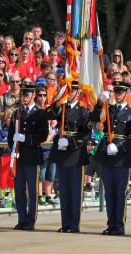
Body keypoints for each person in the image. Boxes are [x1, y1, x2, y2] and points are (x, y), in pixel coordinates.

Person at [91, 81, 131, 236]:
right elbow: (93, 119)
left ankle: (119, 224)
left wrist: (120, 147)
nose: (118, 95)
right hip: (107, 154)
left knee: (120, 192)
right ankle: (111, 224)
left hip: (121, 157)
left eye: (120, 92)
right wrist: (100, 102)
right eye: (116, 92)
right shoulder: (108, 109)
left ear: (126, 93)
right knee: (109, 192)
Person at [43, 81, 91, 233]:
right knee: (63, 190)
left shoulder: (83, 111)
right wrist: (58, 102)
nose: (69, 94)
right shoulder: (61, 108)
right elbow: (47, 114)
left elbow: (85, 134)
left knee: (75, 191)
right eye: (67, 91)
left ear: (78, 93)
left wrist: (71, 143)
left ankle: (74, 224)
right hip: (61, 152)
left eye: (72, 91)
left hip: (75, 153)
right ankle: (65, 222)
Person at [8, 83, 48, 230]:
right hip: (19, 156)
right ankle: (21, 219)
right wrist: (13, 147)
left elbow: (42, 135)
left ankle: (31, 220)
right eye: (22, 95)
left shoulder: (40, 113)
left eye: (26, 95)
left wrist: (26, 138)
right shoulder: (16, 113)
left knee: (32, 190)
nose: (24, 97)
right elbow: (11, 134)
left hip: (32, 155)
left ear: (33, 95)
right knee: (19, 190)